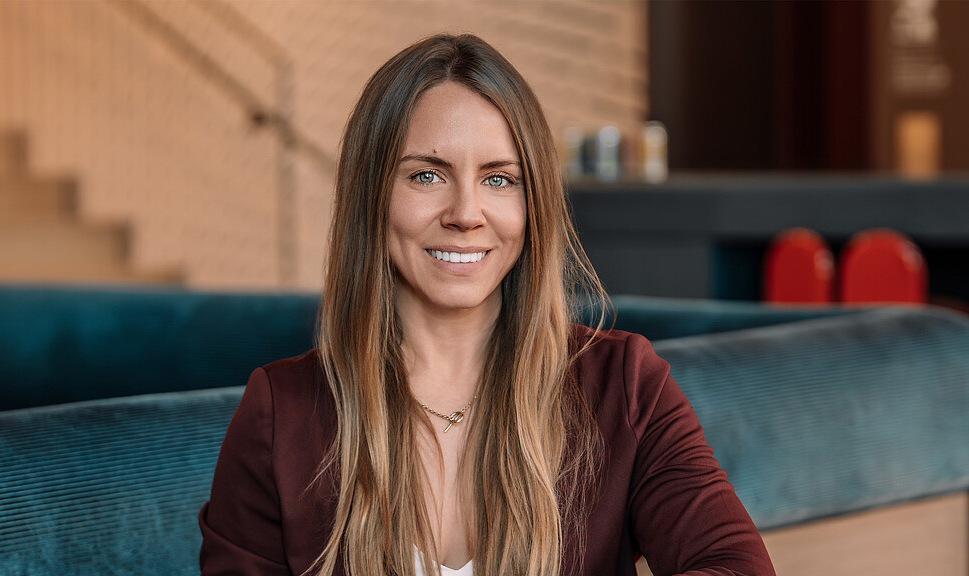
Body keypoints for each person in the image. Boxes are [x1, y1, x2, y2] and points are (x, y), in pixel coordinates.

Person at [199, 33, 775, 576]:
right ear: (371, 195)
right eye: (427, 175)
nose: (466, 213)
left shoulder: (623, 386)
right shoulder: (279, 413)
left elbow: (736, 566)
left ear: (534, 205)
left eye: (500, 180)